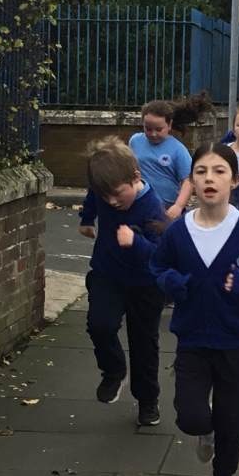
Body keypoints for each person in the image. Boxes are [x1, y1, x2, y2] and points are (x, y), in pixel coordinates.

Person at [135, 145, 239, 476]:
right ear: (192, 181)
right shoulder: (178, 231)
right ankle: (206, 431)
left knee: (232, 418)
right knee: (191, 416)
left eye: (219, 171)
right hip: (193, 339)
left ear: (234, 180)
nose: (209, 179)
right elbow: (158, 267)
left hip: (238, 341)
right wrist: (175, 283)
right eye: (201, 171)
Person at [77, 141, 170, 426]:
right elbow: (94, 195)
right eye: (105, 196)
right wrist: (87, 218)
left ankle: (147, 400)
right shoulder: (104, 191)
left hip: (145, 284)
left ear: (135, 177)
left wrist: (136, 242)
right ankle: (114, 371)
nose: (112, 202)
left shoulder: (152, 208)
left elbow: (161, 255)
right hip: (108, 274)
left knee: (144, 344)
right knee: (99, 325)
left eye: (118, 194)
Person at [130, 99, 193, 220]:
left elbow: (188, 180)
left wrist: (178, 206)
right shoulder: (135, 141)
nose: (153, 134)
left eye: (159, 129)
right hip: (138, 205)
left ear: (169, 125)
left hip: (166, 210)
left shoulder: (178, 149)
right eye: (148, 129)